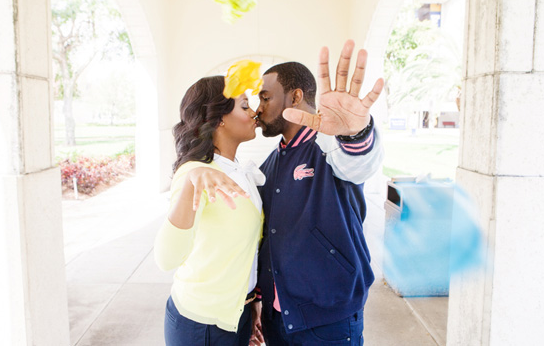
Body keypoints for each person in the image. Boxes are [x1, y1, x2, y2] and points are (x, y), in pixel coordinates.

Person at [253, 40, 384, 345]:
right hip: (279, 318)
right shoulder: (271, 162)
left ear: (295, 96)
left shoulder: (330, 146)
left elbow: (357, 163)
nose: (258, 108)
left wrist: (355, 133)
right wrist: (259, 297)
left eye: (265, 97)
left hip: (328, 321)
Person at [154, 75, 266, 346]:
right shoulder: (195, 173)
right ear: (219, 119)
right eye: (244, 106)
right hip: (201, 325)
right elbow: (166, 259)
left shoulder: (236, 169)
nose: (255, 112)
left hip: (234, 315)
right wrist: (192, 183)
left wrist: (251, 301)